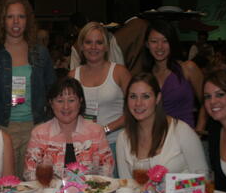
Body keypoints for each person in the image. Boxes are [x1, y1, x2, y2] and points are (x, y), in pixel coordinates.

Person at [0, 0, 56, 178]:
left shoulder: (40, 53)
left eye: (21, 17)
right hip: (3, 128)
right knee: (7, 183)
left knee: (34, 183)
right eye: (10, 17)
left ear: (27, 21)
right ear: (2, 21)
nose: (15, 22)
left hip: (35, 127)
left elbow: (52, 90)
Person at [116, 73, 207, 178]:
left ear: (158, 98)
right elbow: (126, 185)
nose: (138, 103)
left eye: (146, 96)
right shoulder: (123, 139)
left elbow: (203, 178)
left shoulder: (182, 131)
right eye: (133, 96)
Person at [69, 22, 131, 176]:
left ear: (106, 46)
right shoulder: (72, 76)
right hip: (83, 147)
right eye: (88, 42)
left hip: (115, 143)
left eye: (99, 42)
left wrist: (106, 129)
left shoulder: (119, 72)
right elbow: (67, 112)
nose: (93, 47)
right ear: (81, 46)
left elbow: (135, 109)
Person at [24, 77, 114, 180]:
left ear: (80, 102)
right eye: (60, 101)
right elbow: (29, 174)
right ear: (51, 103)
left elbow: (107, 171)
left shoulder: (96, 131)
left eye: (71, 100)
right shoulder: (39, 133)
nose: (66, 107)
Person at [143, 19, 207, 132]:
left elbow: (207, 101)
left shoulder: (188, 68)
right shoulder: (146, 76)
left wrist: (199, 131)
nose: (159, 47)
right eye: (154, 41)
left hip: (186, 138)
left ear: (172, 43)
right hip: (157, 139)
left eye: (165, 41)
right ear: (147, 44)